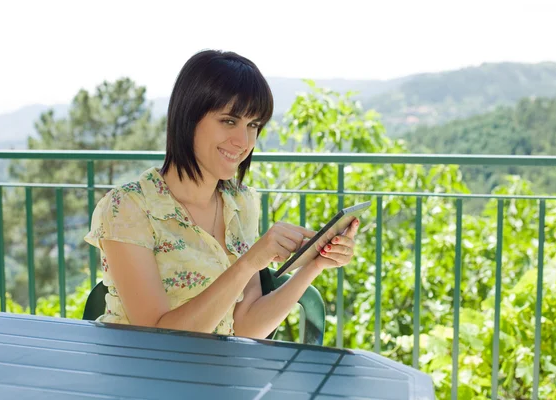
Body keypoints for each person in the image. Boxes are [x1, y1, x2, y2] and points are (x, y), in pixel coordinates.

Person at [84, 49, 359, 338]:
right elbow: (158, 340)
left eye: (253, 125)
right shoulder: (128, 207)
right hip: (141, 376)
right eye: (229, 121)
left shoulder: (240, 203)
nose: (243, 141)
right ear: (189, 117)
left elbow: (246, 327)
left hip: (215, 376)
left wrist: (314, 265)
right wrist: (250, 261)